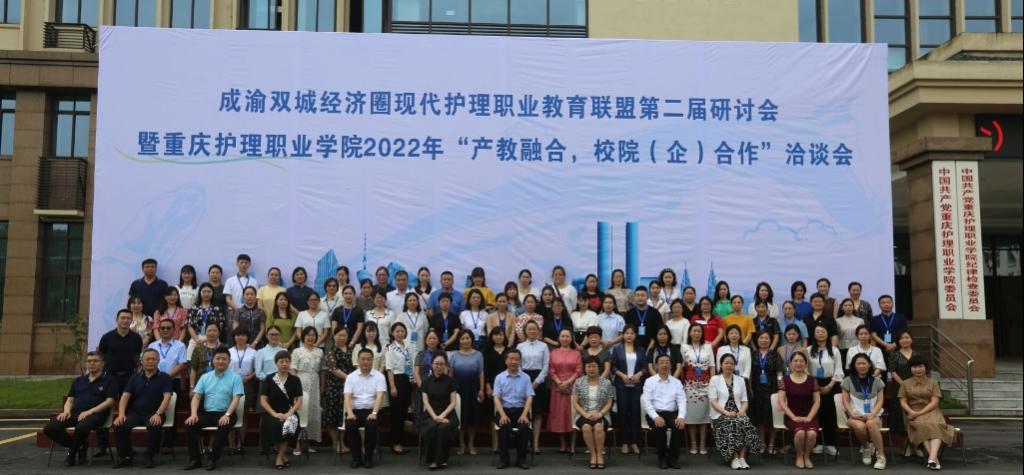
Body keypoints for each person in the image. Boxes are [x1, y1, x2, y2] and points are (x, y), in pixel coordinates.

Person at [44, 351, 117, 467]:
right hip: (74, 414)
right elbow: (70, 400)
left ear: (102, 364)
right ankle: (80, 445)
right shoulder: (78, 381)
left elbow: (110, 401)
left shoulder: (109, 380)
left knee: (82, 427)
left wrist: (90, 411)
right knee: (50, 428)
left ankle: (72, 454)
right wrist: (66, 411)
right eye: (89, 361)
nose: (92, 363)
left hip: (96, 415)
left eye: (95, 361)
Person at [183, 347, 244, 471]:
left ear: (229, 361)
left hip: (227, 413)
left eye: (224, 359)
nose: (221, 361)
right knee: (190, 424)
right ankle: (195, 459)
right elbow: (196, 397)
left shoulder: (236, 377)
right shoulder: (205, 377)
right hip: (208, 413)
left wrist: (227, 414)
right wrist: (193, 414)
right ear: (212, 361)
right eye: (218, 358)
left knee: (223, 426)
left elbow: (236, 399)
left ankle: (213, 459)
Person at [112, 348, 172, 469]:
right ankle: (126, 456)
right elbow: (125, 396)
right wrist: (121, 414)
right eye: (147, 359)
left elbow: (167, 397)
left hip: (154, 413)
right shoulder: (134, 377)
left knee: (155, 425)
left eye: (153, 359)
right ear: (142, 362)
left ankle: (149, 456)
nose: (150, 361)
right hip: (135, 413)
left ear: (158, 361)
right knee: (119, 424)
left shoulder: (165, 377)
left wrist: (158, 413)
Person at [898, 356, 956, 471]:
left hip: (931, 411)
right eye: (914, 367)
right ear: (910, 368)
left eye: (920, 366)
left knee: (936, 425)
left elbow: (935, 402)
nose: (918, 369)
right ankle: (934, 459)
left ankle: (932, 458)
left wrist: (920, 413)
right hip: (913, 412)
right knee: (921, 425)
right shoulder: (905, 383)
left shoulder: (933, 383)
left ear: (925, 368)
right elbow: (902, 401)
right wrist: (911, 412)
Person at [709, 353, 762, 469]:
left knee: (745, 423)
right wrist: (727, 413)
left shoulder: (740, 380)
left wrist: (742, 411)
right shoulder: (715, 379)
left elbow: (745, 401)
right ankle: (734, 458)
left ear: (735, 366)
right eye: (726, 363)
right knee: (732, 424)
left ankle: (742, 458)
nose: (729, 365)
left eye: (731, 363)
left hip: (738, 413)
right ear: (721, 365)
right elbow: (713, 401)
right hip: (721, 414)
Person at [841, 353, 888, 469]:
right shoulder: (847, 381)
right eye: (858, 364)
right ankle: (866, 448)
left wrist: (872, 414)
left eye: (864, 363)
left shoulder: (877, 381)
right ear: (854, 365)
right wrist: (852, 414)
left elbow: (880, 401)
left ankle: (881, 456)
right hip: (854, 417)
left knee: (871, 423)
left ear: (869, 365)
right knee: (860, 426)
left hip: (874, 416)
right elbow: (845, 401)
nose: (861, 366)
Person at [641, 353, 688, 469]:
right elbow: (647, 402)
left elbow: (682, 401)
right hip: (654, 414)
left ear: (671, 366)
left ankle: (673, 458)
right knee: (660, 426)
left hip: (671, 414)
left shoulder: (676, 382)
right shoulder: (649, 381)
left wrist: (681, 417)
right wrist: (655, 417)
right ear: (656, 366)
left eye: (667, 362)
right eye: (661, 362)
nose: (664, 365)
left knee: (678, 426)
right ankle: (662, 458)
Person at [259, 350, 303, 470]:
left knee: (288, 423)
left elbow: (299, 400)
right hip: (272, 413)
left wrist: (289, 413)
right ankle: (283, 456)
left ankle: (279, 457)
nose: (284, 364)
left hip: (289, 412)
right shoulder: (269, 378)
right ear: (276, 363)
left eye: (287, 361)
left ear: (290, 363)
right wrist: (274, 414)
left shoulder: (295, 380)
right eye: (281, 361)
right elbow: (263, 400)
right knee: (276, 425)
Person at [344, 348, 387, 469]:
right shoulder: (351, 377)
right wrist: (350, 413)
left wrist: (374, 413)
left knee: (371, 426)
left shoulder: (379, 376)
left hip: (372, 410)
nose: (365, 362)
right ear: (358, 361)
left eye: (368, 359)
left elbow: (380, 396)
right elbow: (347, 397)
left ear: (372, 360)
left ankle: (368, 458)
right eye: (363, 359)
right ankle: (356, 458)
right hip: (355, 411)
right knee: (350, 425)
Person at [493, 349, 535, 469]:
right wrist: (502, 415)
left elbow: (529, 397)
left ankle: (521, 459)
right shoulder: (499, 377)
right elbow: (496, 398)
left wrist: (524, 414)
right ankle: (504, 460)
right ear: (506, 361)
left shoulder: (526, 377)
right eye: (511, 359)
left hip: (521, 410)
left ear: (520, 361)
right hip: (504, 410)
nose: (514, 362)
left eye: (517, 359)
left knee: (524, 427)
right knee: (504, 425)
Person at [779, 351, 821, 469]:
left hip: (810, 416)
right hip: (792, 416)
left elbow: (817, 401)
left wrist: (810, 417)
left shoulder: (812, 380)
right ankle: (799, 455)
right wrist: (793, 417)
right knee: (800, 433)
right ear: (790, 364)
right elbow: (781, 401)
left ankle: (807, 456)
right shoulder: (784, 380)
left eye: (801, 361)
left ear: (805, 363)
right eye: (795, 361)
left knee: (812, 434)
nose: (798, 363)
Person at [571, 356, 615, 469]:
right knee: (586, 427)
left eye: (594, 366)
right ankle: (593, 454)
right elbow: (575, 402)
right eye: (589, 366)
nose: (591, 369)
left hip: (602, 413)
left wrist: (601, 413)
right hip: (583, 413)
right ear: (585, 368)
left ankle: (600, 455)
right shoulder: (579, 382)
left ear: (599, 368)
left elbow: (609, 402)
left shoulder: (606, 383)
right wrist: (585, 414)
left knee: (598, 426)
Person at [808, 325, 844, 456]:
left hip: (831, 384)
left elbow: (838, 369)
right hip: (813, 384)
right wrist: (815, 385)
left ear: (827, 334)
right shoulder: (808, 350)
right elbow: (806, 369)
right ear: (814, 334)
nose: (820, 333)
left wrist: (829, 386)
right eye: (817, 331)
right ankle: (818, 443)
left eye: (823, 331)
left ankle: (830, 444)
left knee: (830, 414)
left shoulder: (834, 350)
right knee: (816, 413)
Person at [420, 353, 460, 470]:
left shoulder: (451, 381)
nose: (439, 366)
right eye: (436, 364)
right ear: (432, 365)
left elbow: (453, 403)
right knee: (432, 427)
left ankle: (441, 460)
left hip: (448, 414)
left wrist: (442, 416)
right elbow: (426, 402)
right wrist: (435, 417)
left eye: (442, 364)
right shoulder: (426, 381)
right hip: (430, 414)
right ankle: (431, 460)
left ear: (446, 366)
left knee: (443, 428)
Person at [611, 325, 645, 455]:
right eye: (627, 333)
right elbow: (613, 367)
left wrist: (638, 375)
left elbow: (645, 367)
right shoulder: (617, 349)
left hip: (637, 385)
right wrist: (622, 376)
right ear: (623, 335)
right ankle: (624, 442)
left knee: (636, 414)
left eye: (632, 333)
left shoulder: (640, 349)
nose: (629, 335)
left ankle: (635, 442)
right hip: (622, 385)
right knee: (623, 414)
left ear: (635, 335)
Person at [449, 329, 484, 455]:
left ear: (471, 339)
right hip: (458, 390)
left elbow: (481, 373)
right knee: (461, 417)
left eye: (467, 338)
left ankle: (471, 444)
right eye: (462, 338)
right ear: (459, 340)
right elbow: (451, 374)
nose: (465, 341)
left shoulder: (478, 355)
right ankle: (462, 444)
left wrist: (481, 389)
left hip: (473, 389)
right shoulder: (454, 355)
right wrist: (451, 391)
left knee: (472, 417)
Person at [682, 323, 715, 455]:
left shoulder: (708, 346)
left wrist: (713, 384)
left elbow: (712, 366)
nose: (697, 333)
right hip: (690, 385)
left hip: (706, 384)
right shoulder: (684, 347)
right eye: (694, 331)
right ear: (690, 333)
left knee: (704, 417)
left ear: (702, 333)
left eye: (699, 331)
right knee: (691, 416)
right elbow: (682, 367)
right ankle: (693, 444)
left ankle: (702, 444)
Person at [517, 320, 550, 453]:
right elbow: (517, 365)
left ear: (538, 331)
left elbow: (546, 366)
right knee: (524, 411)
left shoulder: (544, 346)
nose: (532, 331)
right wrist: (525, 381)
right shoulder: (520, 346)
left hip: (538, 381)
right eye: (529, 329)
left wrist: (537, 382)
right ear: (525, 331)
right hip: (522, 379)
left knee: (537, 413)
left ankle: (536, 444)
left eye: (534, 329)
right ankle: (525, 442)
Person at [291, 327, 324, 455]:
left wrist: (322, 386)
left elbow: (322, 370)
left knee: (312, 413)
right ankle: (296, 444)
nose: (310, 337)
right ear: (303, 337)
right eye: (308, 335)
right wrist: (294, 387)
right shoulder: (297, 351)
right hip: (301, 382)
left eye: (313, 335)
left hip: (315, 384)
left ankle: (306, 444)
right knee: (299, 412)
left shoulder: (319, 352)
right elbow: (293, 370)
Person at [548, 328, 582, 453]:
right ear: (559, 338)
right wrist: (559, 383)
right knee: (560, 417)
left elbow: (579, 370)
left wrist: (568, 383)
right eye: (562, 336)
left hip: (572, 387)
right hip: (557, 387)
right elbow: (551, 370)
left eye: (567, 336)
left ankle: (572, 445)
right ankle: (563, 444)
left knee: (572, 415)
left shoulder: (576, 353)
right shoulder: (553, 352)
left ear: (571, 338)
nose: (565, 338)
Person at [98, 309, 144, 400]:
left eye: (128, 318)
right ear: (117, 320)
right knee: (109, 401)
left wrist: (138, 374)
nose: (125, 320)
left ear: (131, 320)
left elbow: (137, 357)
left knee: (128, 402)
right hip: (110, 375)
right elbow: (101, 356)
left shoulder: (137, 338)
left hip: (130, 376)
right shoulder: (107, 337)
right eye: (122, 318)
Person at [750, 329, 783, 454]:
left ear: (770, 340)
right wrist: (750, 388)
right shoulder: (753, 354)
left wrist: (781, 388)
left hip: (772, 389)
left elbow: (779, 373)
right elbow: (750, 373)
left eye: (766, 338)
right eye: (761, 338)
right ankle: (762, 443)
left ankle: (771, 444)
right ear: (757, 340)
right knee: (759, 418)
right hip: (757, 389)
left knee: (772, 417)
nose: (763, 340)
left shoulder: (775, 354)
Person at [886, 329, 919, 455]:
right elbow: (893, 372)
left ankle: (916, 445)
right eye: (901, 338)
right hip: (900, 388)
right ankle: (908, 445)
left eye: (907, 337)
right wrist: (905, 385)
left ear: (911, 339)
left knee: (916, 415)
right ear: (898, 341)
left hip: (917, 388)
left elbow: (922, 370)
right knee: (903, 417)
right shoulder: (894, 355)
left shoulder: (917, 354)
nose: (904, 340)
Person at [384, 321, 414, 454]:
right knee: (396, 414)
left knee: (403, 413)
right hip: (396, 380)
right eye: (397, 331)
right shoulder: (390, 348)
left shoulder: (406, 347)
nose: (400, 333)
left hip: (407, 380)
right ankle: (394, 443)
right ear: (392, 333)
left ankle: (399, 441)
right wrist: (392, 387)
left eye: (402, 331)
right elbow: (389, 369)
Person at [324, 327, 355, 455]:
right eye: (339, 335)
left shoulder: (352, 350)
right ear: (334, 336)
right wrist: (350, 378)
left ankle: (342, 442)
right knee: (332, 416)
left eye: (344, 336)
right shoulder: (330, 351)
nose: (342, 338)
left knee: (343, 416)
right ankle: (335, 442)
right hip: (334, 387)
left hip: (348, 388)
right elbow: (334, 369)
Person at [226, 327, 256, 454]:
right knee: (230, 413)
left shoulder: (253, 352)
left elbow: (257, 370)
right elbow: (224, 368)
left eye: (243, 335)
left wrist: (250, 376)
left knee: (243, 415)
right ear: (234, 337)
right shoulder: (229, 351)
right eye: (238, 335)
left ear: (247, 337)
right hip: (230, 384)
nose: (241, 337)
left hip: (247, 384)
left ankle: (240, 444)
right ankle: (231, 445)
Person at [484, 326, 511, 451]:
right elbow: (485, 371)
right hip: (493, 386)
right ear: (492, 337)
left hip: (508, 385)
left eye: (501, 334)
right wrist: (488, 387)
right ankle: (495, 444)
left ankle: (505, 443)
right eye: (496, 335)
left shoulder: (509, 351)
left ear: (504, 336)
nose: (498, 337)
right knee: (493, 415)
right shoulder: (487, 351)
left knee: (506, 412)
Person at [148, 320, 189, 394]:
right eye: (162, 328)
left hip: (173, 380)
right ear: (159, 330)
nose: (165, 330)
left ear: (174, 330)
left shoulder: (180, 345)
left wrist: (165, 378)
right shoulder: (152, 345)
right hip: (154, 380)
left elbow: (182, 364)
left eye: (168, 328)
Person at [186, 283, 228, 353]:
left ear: (212, 293)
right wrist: (196, 339)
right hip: (196, 339)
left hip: (213, 338)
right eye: (204, 292)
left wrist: (207, 339)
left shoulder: (217, 308)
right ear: (200, 293)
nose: (206, 294)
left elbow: (221, 325)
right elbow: (189, 325)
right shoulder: (194, 307)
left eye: (209, 292)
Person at [189, 323, 226, 392]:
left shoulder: (224, 348)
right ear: (205, 332)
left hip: (220, 385)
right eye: (209, 330)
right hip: (201, 386)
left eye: (214, 331)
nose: (212, 333)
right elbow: (193, 369)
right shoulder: (198, 348)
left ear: (219, 333)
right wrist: (192, 387)